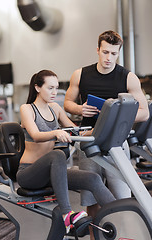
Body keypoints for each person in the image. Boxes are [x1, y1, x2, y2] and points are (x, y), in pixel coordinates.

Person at [64, 30, 150, 239]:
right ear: (98, 50)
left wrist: (117, 115)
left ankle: (126, 234)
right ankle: (96, 237)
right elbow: (67, 103)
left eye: (113, 53)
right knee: (91, 198)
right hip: (88, 141)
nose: (108, 58)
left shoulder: (128, 77)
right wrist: (79, 110)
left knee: (121, 196)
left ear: (118, 53)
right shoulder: (80, 74)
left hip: (116, 142)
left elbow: (144, 113)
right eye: (105, 52)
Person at [16, 69, 116, 236]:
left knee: (92, 178)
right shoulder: (27, 109)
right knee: (57, 154)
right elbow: (36, 135)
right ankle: (67, 214)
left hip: (51, 172)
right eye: (50, 88)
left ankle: (122, 214)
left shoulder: (55, 108)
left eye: (56, 88)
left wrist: (101, 128)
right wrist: (56, 132)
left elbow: (76, 131)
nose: (55, 92)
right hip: (29, 173)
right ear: (38, 88)